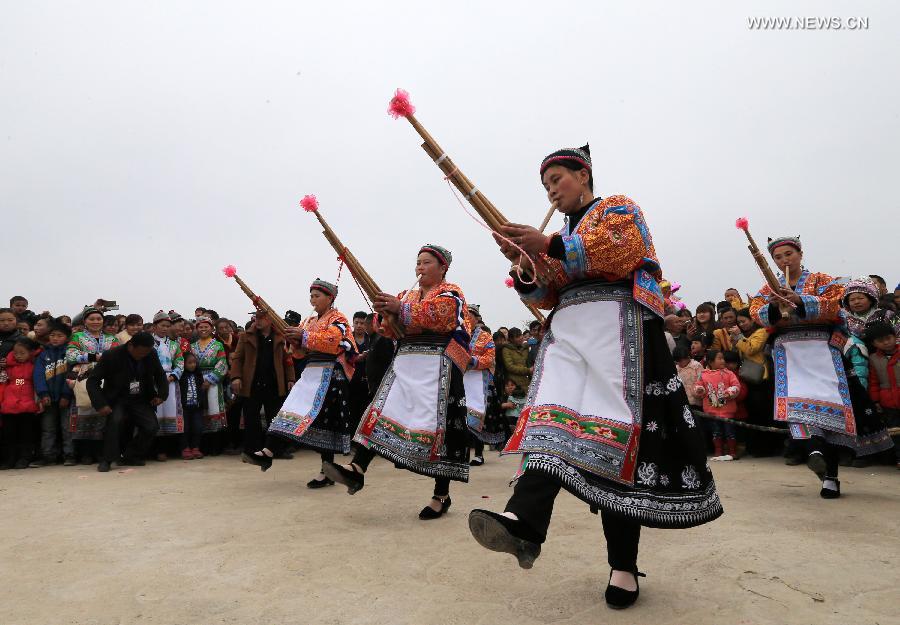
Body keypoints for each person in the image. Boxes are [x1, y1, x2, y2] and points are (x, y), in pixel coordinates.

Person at [468, 144, 722, 609]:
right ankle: (524, 523)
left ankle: (623, 565)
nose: (551, 191)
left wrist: (546, 246)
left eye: (557, 180)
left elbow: (622, 251)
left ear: (583, 176)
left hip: (620, 331)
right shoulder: (562, 232)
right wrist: (527, 268)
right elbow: (547, 292)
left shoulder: (618, 209)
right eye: (546, 185)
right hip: (569, 331)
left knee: (616, 440)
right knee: (549, 420)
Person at [324, 244, 473, 520]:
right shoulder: (407, 294)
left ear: (443, 268)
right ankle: (357, 469)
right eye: (418, 262)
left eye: (427, 262)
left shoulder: (451, 292)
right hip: (406, 363)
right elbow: (386, 329)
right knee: (382, 409)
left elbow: (443, 317)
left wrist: (399, 310)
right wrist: (385, 315)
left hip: (439, 366)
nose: (420, 267)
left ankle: (441, 494)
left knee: (442, 427)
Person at [749, 235, 862, 498]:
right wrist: (775, 307)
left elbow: (836, 306)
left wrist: (800, 301)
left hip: (821, 350)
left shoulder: (822, 280)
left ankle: (830, 476)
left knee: (828, 408)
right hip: (791, 353)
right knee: (798, 408)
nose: (784, 260)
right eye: (778, 257)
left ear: (799, 254)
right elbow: (756, 311)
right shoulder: (769, 288)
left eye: (789, 254)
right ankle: (815, 453)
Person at [244, 281, 355, 488]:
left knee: (325, 424)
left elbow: (333, 342)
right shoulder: (309, 321)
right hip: (311, 372)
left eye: (317, 296)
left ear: (330, 298)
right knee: (290, 409)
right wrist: (294, 342)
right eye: (311, 296)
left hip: (330, 374)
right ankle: (268, 451)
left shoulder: (338, 319)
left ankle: (326, 470)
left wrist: (303, 336)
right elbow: (299, 353)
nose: (313, 300)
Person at [86, 332, 167, 472]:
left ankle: (131, 455)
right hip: (118, 398)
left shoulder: (150, 354)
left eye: (146, 353)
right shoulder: (111, 355)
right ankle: (107, 459)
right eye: (140, 353)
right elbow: (92, 381)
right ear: (130, 345)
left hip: (140, 398)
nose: (143, 356)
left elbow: (160, 374)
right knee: (115, 422)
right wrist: (100, 404)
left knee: (151, 426)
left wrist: (161, 395)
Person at [231, 310, 296, 466]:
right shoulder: (246, 336)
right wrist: (236, 377)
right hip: (251, 382)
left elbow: (287, 360)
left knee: (275, 418)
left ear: (270, 320)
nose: (257, 320)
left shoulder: (280, 336)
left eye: (261, 317)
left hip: (274, 383)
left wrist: (290, 379)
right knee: (251, 417)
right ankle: (252, 450)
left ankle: (277, 449)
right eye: (256, 317)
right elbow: (238, 358)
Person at [66, 306, 120, 464]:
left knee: (103, 413)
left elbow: (117, 356)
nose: (96, 322)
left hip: (107, 378)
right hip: (85, 378)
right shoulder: (77, 336)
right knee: (84, 412)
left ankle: (101, 452)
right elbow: (70, 355)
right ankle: (85, 453)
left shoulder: (112, 338)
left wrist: (98, 358)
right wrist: (95, 357)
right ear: (85, 321)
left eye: (99, 319)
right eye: (92, 319)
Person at [733, 308, 778, 457]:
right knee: (752, 414)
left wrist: (739, 337)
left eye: (743, 321)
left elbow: (751, 349)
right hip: (748, 378)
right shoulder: (745, 336)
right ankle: (755, 447)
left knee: (762, 414)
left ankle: (765, 448)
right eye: (739, 322)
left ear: (752, 320)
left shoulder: (761, 332)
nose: (741, 324)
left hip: (760, 379)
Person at [32, 321, 75, 466]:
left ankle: (69, 455)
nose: (55, 338)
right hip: (48, 398)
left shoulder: (70, 353)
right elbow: (38, 375)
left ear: (67, 337)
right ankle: (47, 456)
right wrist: (43, 394)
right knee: (48, 429)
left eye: (59, 335)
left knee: (67, 427)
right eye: (52, 335)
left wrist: (66, 395)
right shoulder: (43, 355)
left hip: (65, 398)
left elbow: (71, 375)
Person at [0, 338, 41, 469]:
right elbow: (3, 382)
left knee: (26, 434)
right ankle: (10, 459)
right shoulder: (7, 367)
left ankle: (24, 458)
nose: (18, 356)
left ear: (31, 353)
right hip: (9, 405)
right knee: (9, 435)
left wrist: (39, 402)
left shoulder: (35, 366)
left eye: (22, 353)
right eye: (16, 353)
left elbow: (36, 385)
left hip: (27, 406)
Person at [465, 306, 498, 466]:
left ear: (477, 318)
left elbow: (490, 358)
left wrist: (472, 361)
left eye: (470, 315)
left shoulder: (485, 337)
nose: (467, 318)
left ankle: (478, 454)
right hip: (461, 378)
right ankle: (461, 453)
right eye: (464, 315)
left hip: (479, 380)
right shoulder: (457, 333)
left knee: (477, 415)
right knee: (459, 415)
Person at [694, 350, 741, 460]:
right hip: (712, 411)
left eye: (723, 358)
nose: (723, 361)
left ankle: (732, 452)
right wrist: (699, 390)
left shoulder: (729, 373)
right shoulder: (703, 375)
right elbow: (697, 386)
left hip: (727, 410)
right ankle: (718, 451)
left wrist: (730, 392)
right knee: (716, 432)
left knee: (730, 432)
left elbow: (736, 385)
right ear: (710, 362)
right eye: (719, 358)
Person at [150, 312, 185, 460]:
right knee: (155, 414)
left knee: (169, 414)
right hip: (152, 382)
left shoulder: (174, 344)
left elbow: (180, 362)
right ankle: (155, 450)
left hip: (170, 381)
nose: (165, 329)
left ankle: (169, 449)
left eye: (167, 326)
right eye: (162, 325)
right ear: (154, 326)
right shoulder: (148, 342)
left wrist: (173, 376)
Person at [191, 317, 228, 452]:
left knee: (214, 409)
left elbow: (222, 364)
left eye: (206, 327)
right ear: (197, 329)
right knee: (200, 411)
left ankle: (216, 445)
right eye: (200, 327)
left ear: (211, 329)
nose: (203, 329)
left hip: (213, 381)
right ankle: (202, 445)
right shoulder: (192, 346)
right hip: (196, 380)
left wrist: (210, 380)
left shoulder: (217, 345)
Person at [867, 322, 900, 468]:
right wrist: (875, 401)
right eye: (881, 340)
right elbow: (873, 382)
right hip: (888, 403)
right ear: (874, 343)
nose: (886, 342)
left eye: (888, 338)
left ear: (895, 336)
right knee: (895, 432)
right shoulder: (874, 359)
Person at [841, 277, 899, 341]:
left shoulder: (887, 315)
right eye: (852, 300)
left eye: (861, 298)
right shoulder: (844, 320)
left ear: (871, 300)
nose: (856, 302)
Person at [179, 352, 206, 459]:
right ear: (184, 364)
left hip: (197, 407)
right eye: (189, 363)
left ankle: (195, 447)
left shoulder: (198, 375)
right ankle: (185, 448)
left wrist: (202, 403)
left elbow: (201, 391)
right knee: (185, 428)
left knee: (198, 427)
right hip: (184, 407)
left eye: (194, 362)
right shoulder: (181, 376)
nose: (192, 365)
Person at [501, 328, 530, 396]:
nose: (520, 338)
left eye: (521, 335)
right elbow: (510, 367)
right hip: (514, 383)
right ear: (511, 339)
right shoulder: (506, 349)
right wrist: (528, 370)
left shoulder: (526, 347)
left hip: (527, 382)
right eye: (517, 337)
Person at [674, 346, 703, 410]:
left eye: (680, 361)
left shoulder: (696, 366)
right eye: (677, 362)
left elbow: (701, 381)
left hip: (696, 401)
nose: (679, 363)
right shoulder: (677, 368)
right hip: (683, 401)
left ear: (688, 357)